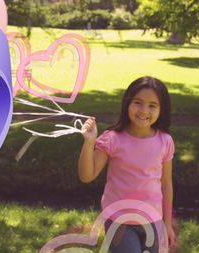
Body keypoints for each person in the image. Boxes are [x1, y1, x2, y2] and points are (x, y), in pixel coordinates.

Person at [78, 76, 176, 252]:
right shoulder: (112, 139)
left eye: (152, 105)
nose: (144, 110)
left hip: (153, 221)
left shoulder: (165, 141)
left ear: (162, 110)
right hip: (120, 221)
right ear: (127, 103)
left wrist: (167, 224)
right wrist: (89, 143)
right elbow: (86, 176)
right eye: (138, 102)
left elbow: (166, 185)